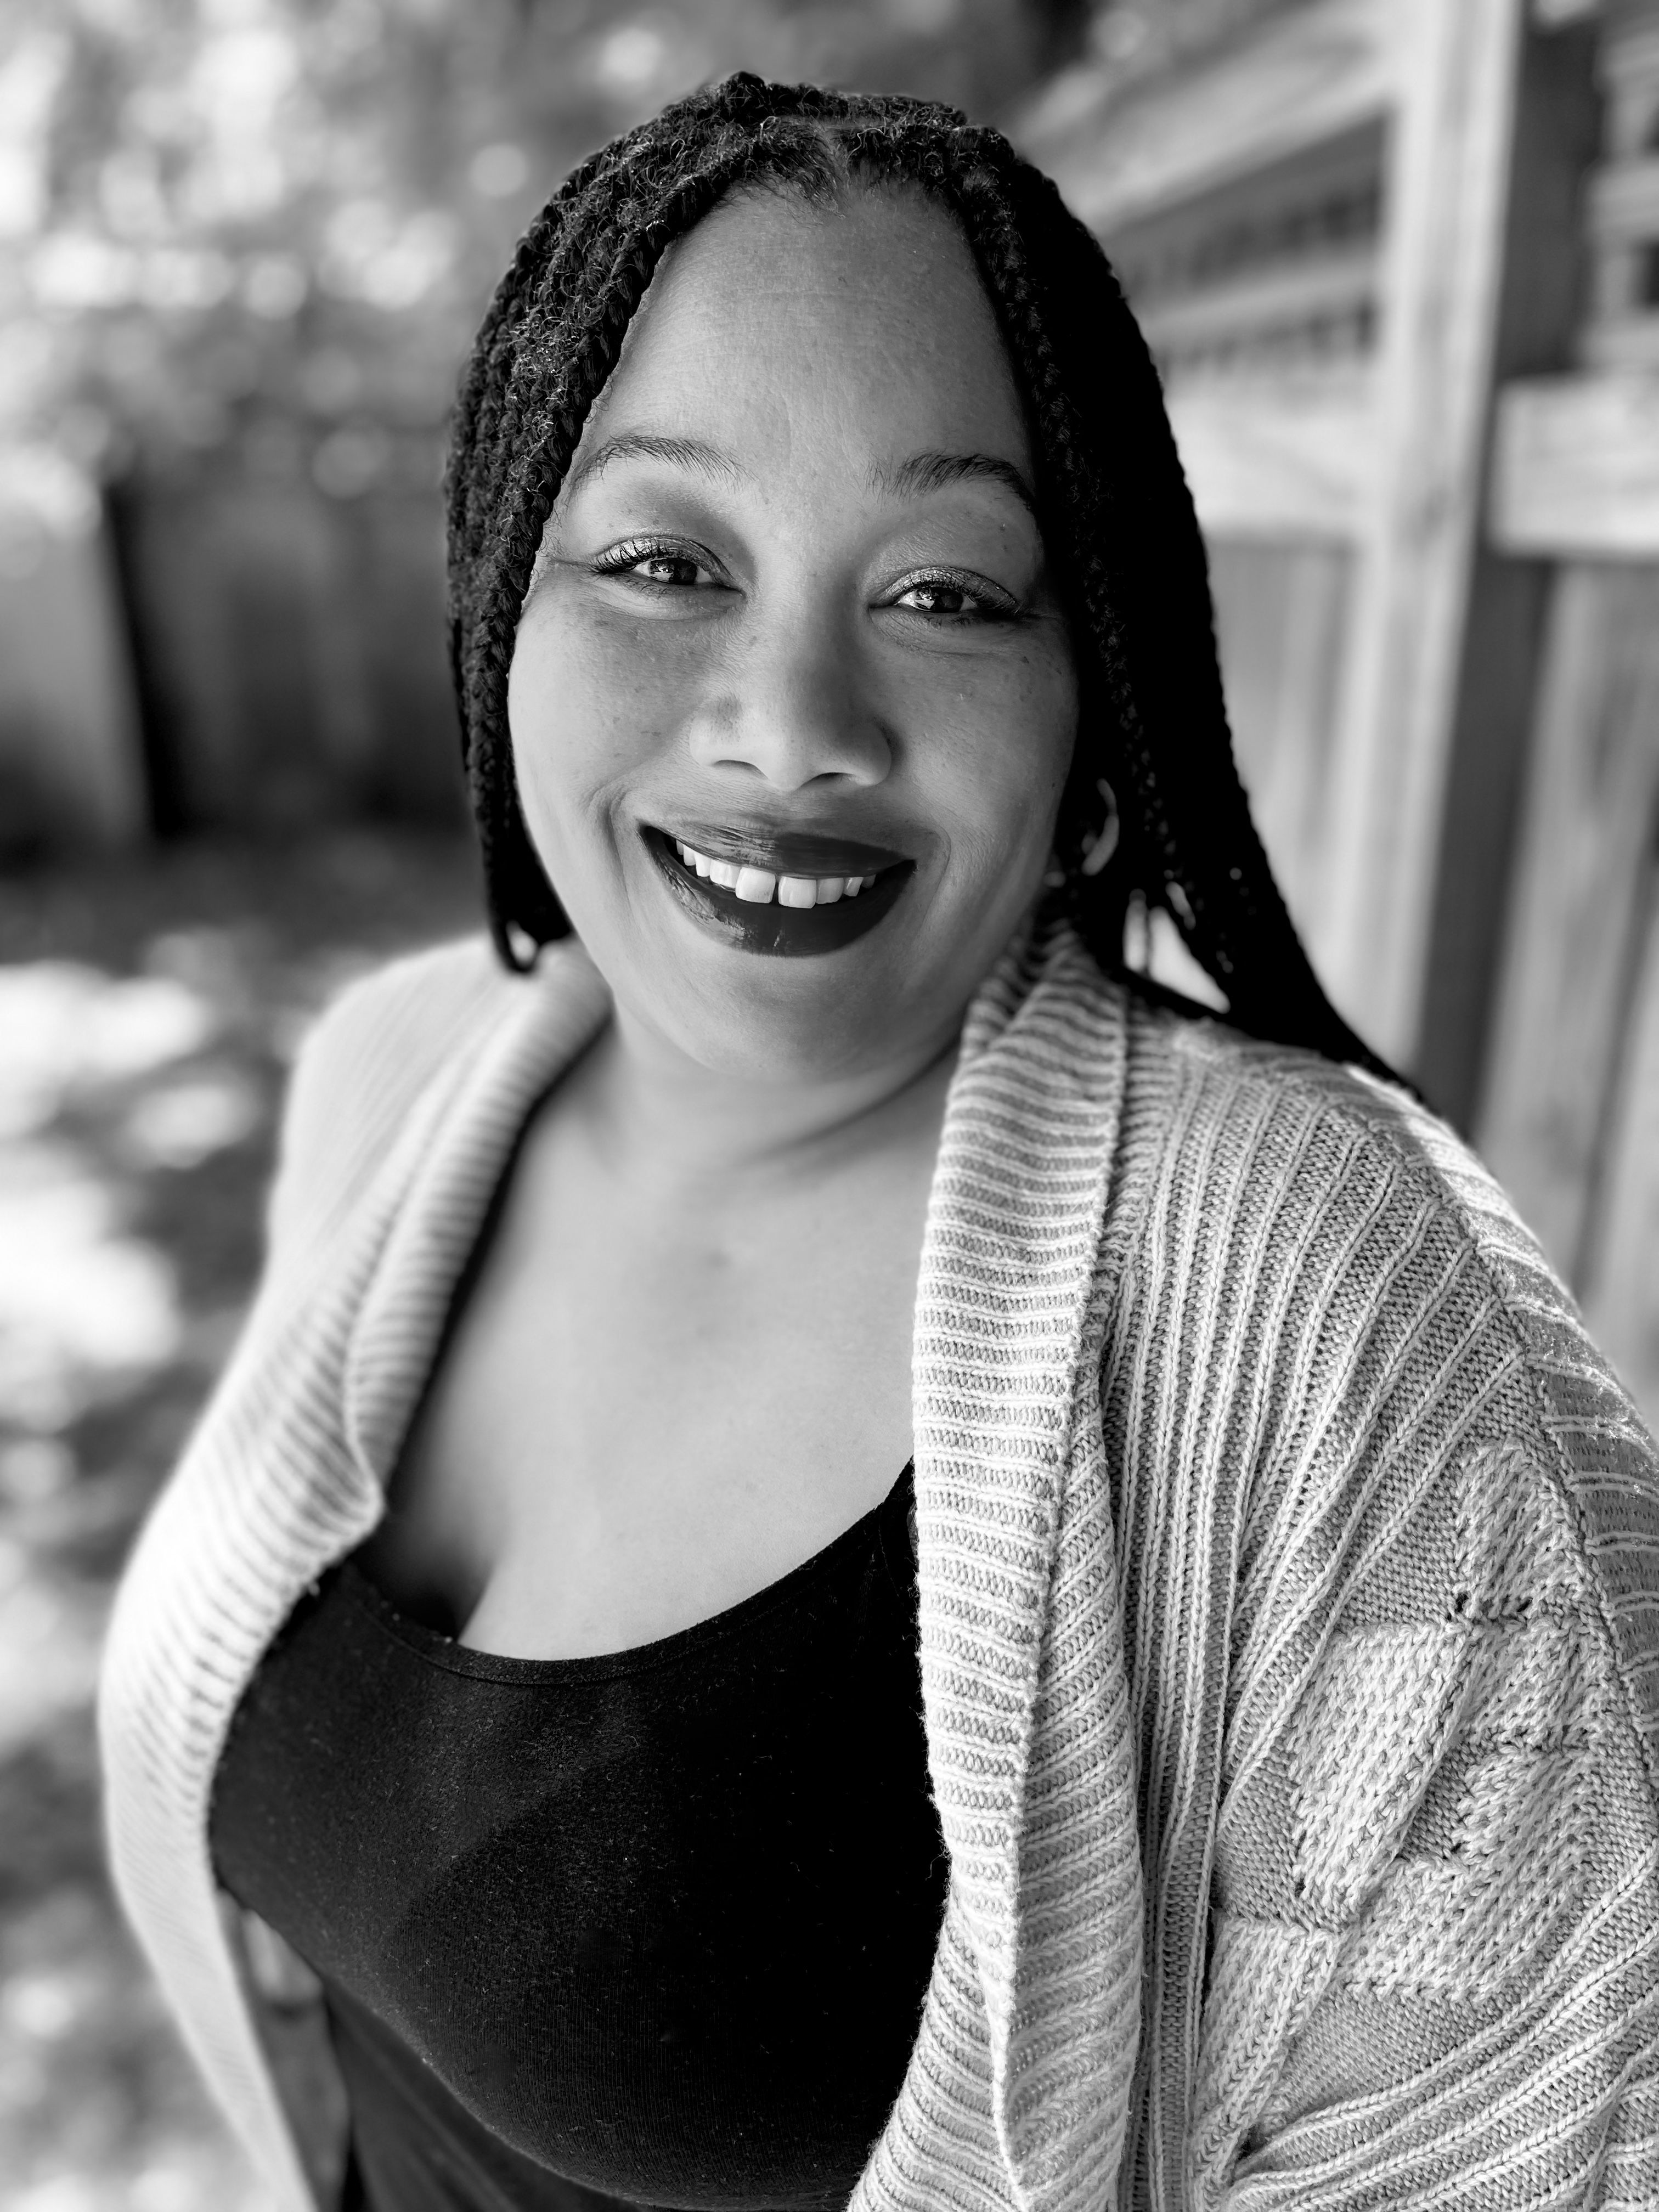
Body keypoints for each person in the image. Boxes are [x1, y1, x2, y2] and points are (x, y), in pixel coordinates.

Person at [99, 75, 1659, 2212]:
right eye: (663, 560)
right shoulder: (398, 1075)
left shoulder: (1330, 1311)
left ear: (1097, 725)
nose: (794, 721)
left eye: (944, 593)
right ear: (503, 614)